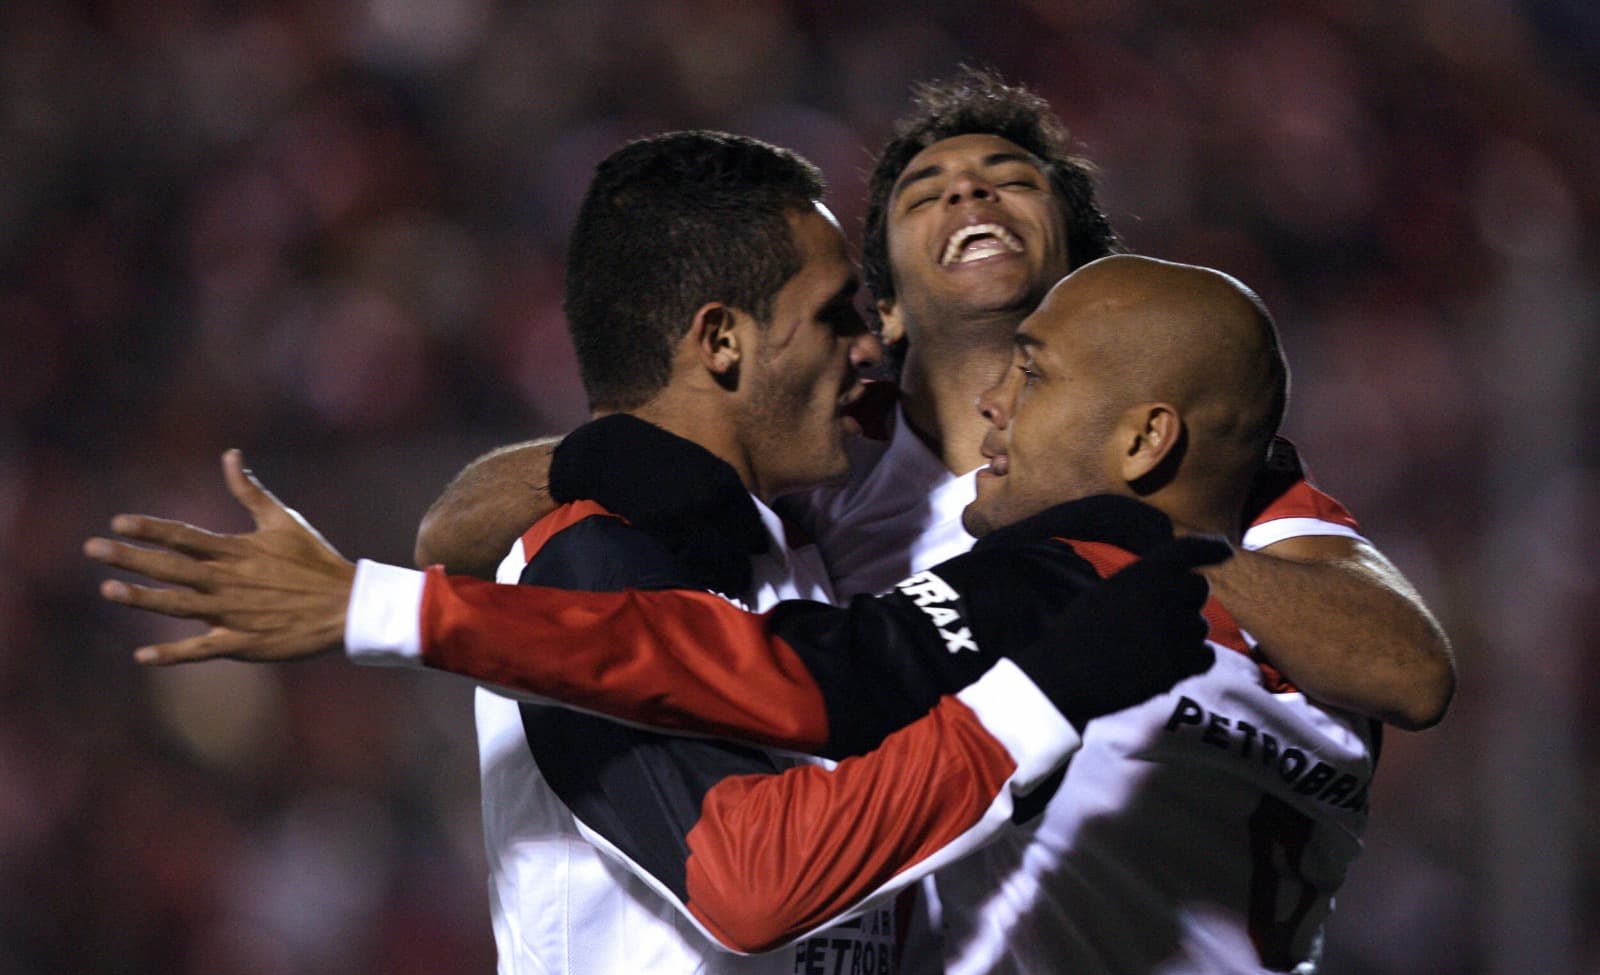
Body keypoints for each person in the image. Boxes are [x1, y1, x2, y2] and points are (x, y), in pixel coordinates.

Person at [86, 131, 1220, 975]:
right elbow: (753, 883)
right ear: (720, 343)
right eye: (833, 314)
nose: (867, 341)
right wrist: (1045, 690)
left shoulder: (796, 550)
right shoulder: (587, 567)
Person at [412, 69, 1454, 733]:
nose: (968, 192)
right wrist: (622, 455)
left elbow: (1407, 669)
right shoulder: (824, 456)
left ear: (1089, 276)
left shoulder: (1194, 473)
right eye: (925, 190)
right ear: (887, 312)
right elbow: (452, 535)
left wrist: (1142, 545)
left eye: (1012, 179)